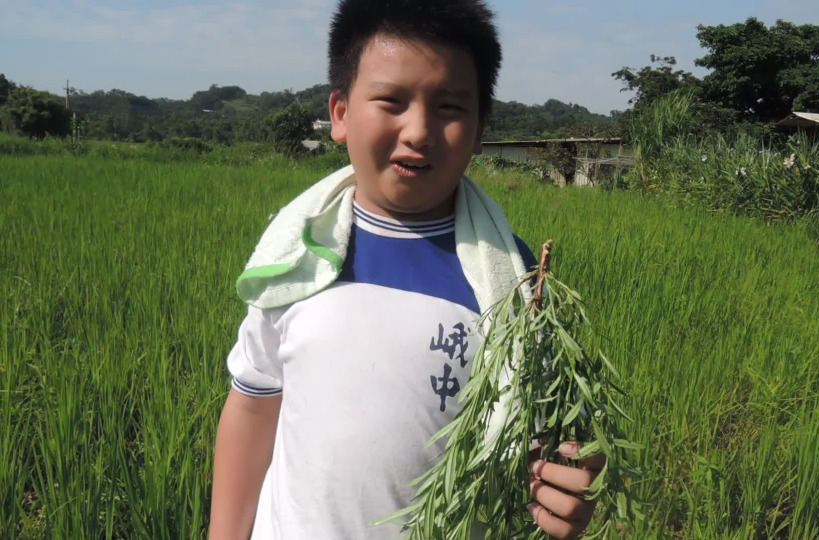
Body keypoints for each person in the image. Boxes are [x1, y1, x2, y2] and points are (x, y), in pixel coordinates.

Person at [209, 1, 603, 538]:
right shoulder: (300, 258)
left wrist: (567, 489)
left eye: (449, 107)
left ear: (480, 129)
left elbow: (541, 438)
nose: (418, 131)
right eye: (391, 101)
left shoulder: (514, 284)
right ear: (341, 114)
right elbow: (254, 407)